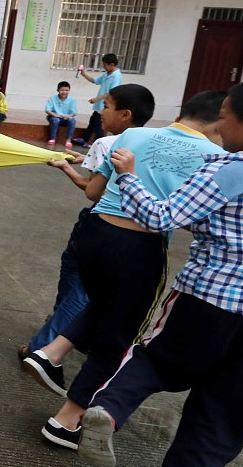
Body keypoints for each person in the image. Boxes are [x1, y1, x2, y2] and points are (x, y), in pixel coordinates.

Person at [77, 79, 243, 467]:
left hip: (208, 301)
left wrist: (131, 176)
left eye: (226, 116)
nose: (219, 125)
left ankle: (109, 408)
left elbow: (161, 217)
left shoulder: (225, 171)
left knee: (156, 359)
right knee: (225, 410)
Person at [26, 90, 225, 453]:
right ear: (219, 121)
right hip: (139, 246)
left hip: (95, 232)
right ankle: (66, 422)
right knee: (119, 338)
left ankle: (52, 352)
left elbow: (94, 192)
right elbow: (196, 218)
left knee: (103, 304)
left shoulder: (133, 136)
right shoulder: (217, 158)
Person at [18, 83, 151, 364]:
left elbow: (91, 189)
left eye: (108, 106)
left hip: (99, 223)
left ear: (125, 114)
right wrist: (81, 158)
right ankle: (67, 331)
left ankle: (43, 348)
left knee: (77, 286)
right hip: (138, 232)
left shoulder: (108, 143)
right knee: (86, 288)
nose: (101, 111)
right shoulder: (150, 145)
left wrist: (65, 167)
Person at [76, 53, 123, 145]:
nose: (104, 67)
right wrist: (83, 74)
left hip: (105, 105)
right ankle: (85, 139)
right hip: (99, 105)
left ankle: (97, 144)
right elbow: (95, 81)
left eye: (105, 65)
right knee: (93, 121)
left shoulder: (116, 76)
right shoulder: (107, 74)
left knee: (99, 126)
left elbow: (112, 92)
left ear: (112, 65)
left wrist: (97, 99)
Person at [45, 80, 78, 145]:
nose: (64, 92)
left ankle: (68, 140)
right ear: (58, 90)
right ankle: (52, 139)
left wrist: (68, 116)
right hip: (54, 117)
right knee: (55, 120)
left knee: (72, 120)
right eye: (62, 90)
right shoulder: (52, 99)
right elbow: (47, 110)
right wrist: (55, 115)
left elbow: (74, 112)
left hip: (66, 118)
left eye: (66, 90)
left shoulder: (72, 100)